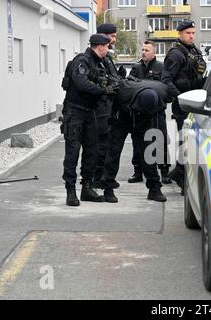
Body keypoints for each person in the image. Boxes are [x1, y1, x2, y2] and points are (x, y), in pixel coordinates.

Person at [61, 34, 117, 206]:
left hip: (90, 112)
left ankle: (87, 188)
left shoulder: (100, 62)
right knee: (73, 152)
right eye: (107, 46)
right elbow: (81, 83)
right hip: (75, 112)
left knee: (92, 151)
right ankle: (71, 191)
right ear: (100, 46)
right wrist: (103, 90)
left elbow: (110, 79)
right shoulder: (82, 61)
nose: (108, 49)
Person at [100, 79, 168, 203]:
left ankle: (154, 188)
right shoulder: (123, 91)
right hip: (122, 118)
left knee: (149, 153)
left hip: (144, 120)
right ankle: (108, 188)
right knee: (113, 152)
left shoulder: (162, 92)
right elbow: (109, 104)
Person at [162, 20, 206, 194]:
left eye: (193, 33)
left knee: (191, 144)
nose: (191, 36)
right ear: (179, 34)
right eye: (188, 33)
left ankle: (180, 173)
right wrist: (182, 98)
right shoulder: (175, 54)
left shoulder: (194, 51)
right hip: (184, 105)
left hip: (196, 104)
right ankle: (182, 177)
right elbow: (166, 81)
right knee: (185, 143)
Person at [128, 40, 171, 185]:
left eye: (147, 50)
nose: (143, 53)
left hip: (156, 110)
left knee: (159, 140)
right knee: (138, 142)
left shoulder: (161, 67)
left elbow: (166, 87)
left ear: (154, 52)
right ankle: (138, 172)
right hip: (139, 111)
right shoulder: (136, 67)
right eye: (142, 50)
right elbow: (130, 86)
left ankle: (164, 172)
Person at [92, 23, 120, 189]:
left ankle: (103, 177)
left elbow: (111, 77)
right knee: (100, 145)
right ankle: (97, 178)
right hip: (100, 107)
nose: (114, 39)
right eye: (112, 36)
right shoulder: (97, 58)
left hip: (108, 106)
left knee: (107, 144)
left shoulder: (107, 57)